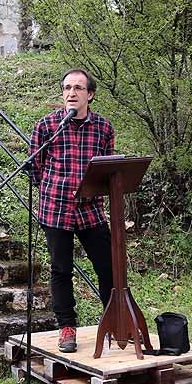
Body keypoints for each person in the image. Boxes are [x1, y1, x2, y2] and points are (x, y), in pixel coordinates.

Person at [29, 68, 116, 353]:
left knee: (108, 267)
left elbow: (109, 170)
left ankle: (113, 322)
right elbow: (36, 169)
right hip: (56, 209)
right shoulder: (46, 126)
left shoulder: (103, 128)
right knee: (61, 270)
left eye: (78, 88)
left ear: (90, 95)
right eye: (67, 88)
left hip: (90, 211)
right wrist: (56, 190)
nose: (71, 93)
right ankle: (66, 327)